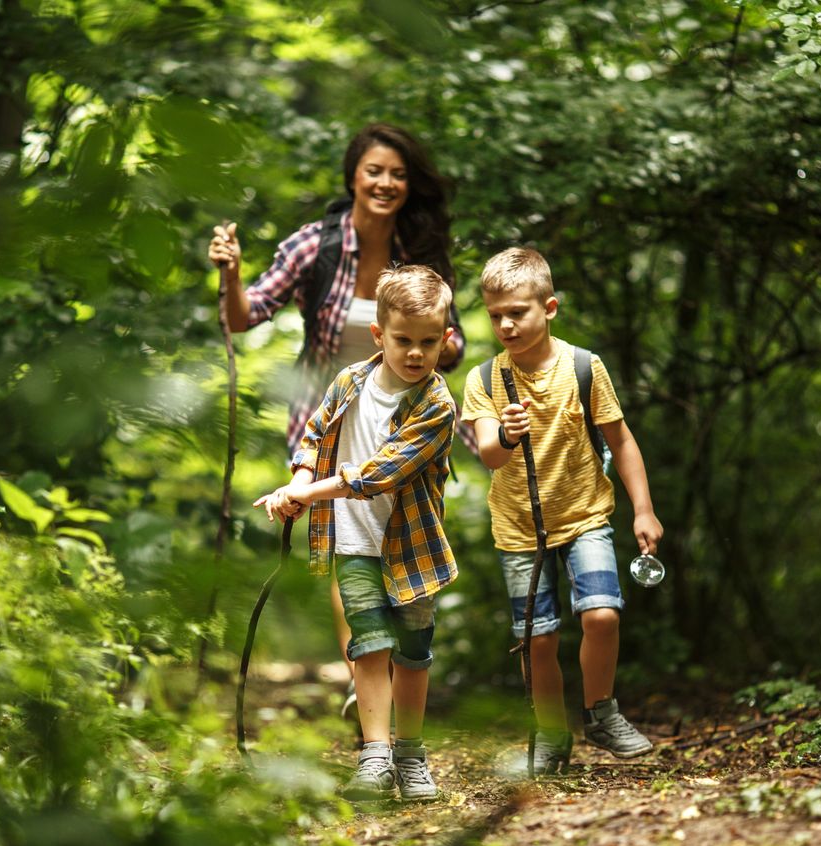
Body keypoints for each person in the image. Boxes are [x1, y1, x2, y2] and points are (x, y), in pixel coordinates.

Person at [208, 123, 465, 714]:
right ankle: (364, 674)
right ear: (353, 174)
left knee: (402, 530)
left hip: (406, 415)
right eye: (375, 170)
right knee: (346, 539)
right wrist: (230, 274)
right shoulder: (313, 246)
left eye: (399, 174)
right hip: (331, 414)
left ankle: (394, 662)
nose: (387, 182)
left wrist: (428, 345)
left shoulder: (418, 250)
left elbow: (453, 343)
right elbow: (245, 316)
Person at [254, 264, 457, 800]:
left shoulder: (437, 405)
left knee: (412, 654)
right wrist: (298, 479)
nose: (416, 353)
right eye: (403, 340)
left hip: (412, 549)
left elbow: (379, 473)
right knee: (368, 648)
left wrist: (306, 493)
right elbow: (315, 432)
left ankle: (411, 756)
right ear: (378, 335)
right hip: (352, 544)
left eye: (429, 342)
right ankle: (375, 755)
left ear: (446, 339)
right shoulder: (350, 382)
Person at [461, 247, 663, 775]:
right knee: (537, 638)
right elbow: (488, 453)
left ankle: (600, 712)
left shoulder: (582, 367)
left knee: (601, 614)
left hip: (585, 514)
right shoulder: (484, 379)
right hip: (518, 524)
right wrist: (506, 432)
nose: (506, 324)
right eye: (495, 315)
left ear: (548, 308)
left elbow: (620, 442)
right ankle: (551, 733)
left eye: (517, 312)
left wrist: (644, 509)